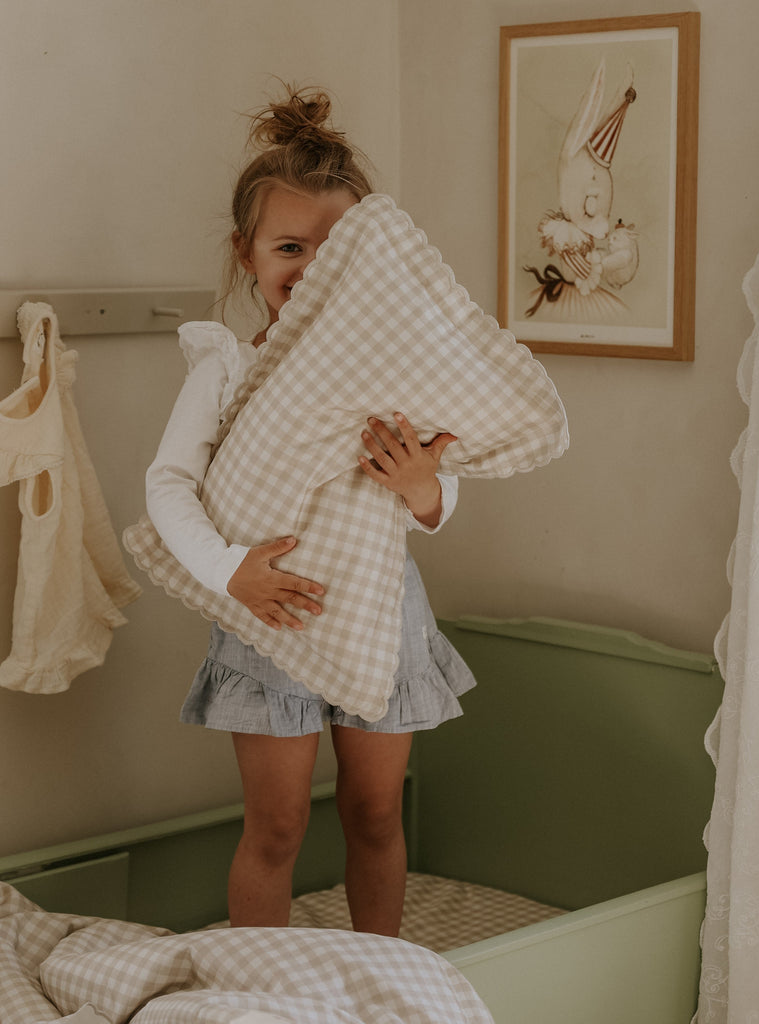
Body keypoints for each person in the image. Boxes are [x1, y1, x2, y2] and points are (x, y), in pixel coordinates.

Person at [145, 86, 476, 935]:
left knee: (374, 814)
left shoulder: (395, 377)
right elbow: (168, 487)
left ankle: (381, 975)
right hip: (269, 616)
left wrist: (419, 491)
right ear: (247, 254)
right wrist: (230, 571)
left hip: (378, 614)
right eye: (290, 247)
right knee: (278, 825)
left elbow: (434, 498)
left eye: (335, 252)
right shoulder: (226, 368)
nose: (312, 268)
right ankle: (264, 990)